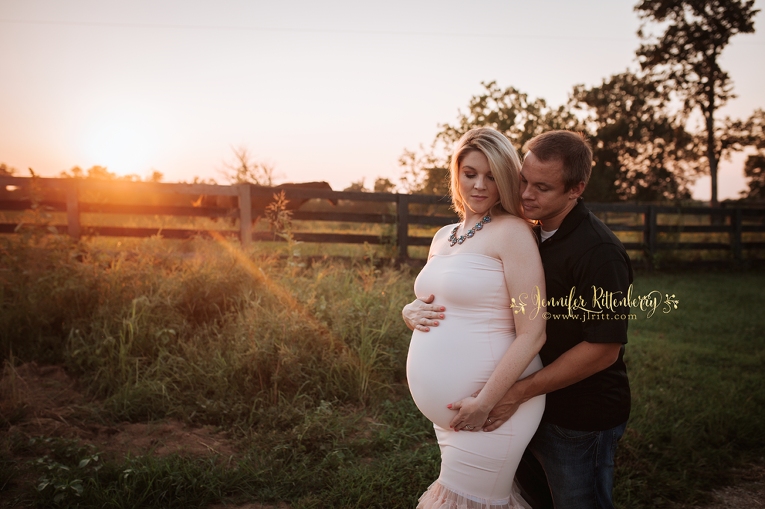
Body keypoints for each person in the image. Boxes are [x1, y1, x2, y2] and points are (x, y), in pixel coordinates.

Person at [404, 130, 633, 509]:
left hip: (576, 411)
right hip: (509, 397)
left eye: (541, 187)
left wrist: (507, 396)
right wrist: (410, 309)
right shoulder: (530, 231)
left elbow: (601, 349)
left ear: (576, 189)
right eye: (523, 180)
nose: (525, 194)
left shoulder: (597, 252)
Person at [404, 127, 547, 509]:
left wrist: (486, 401)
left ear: (505, 178)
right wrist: (409, 310)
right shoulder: (443, 236)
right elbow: (439, 297)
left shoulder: (513, 233)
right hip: (453, 415)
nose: (480, 185)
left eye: (491, 175)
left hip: (492, 410)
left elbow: (533, 333)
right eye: (470, 174)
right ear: (456, 174)